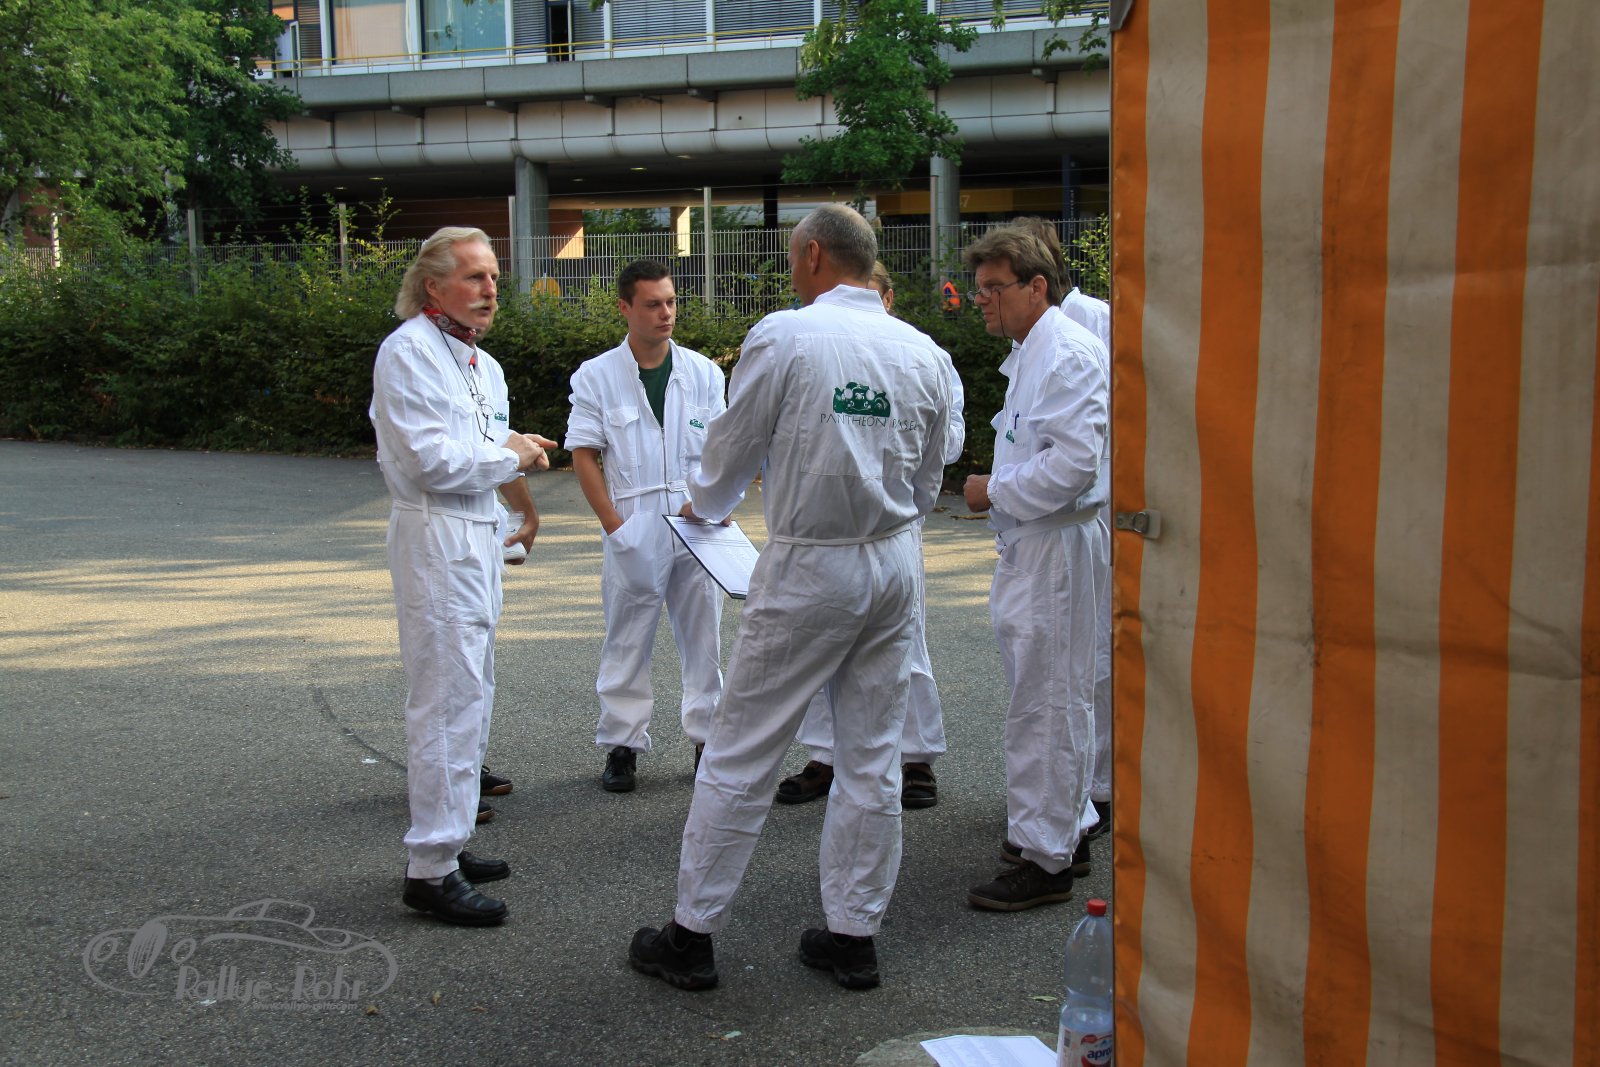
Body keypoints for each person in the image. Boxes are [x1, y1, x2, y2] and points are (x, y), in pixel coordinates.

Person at [628, 205, 953, 992]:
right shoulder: (924, 351)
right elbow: (930, 477)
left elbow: (731, 447)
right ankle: (853, 935)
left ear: (812, 255)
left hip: (813, 562)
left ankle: (691, 934)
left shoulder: (786, 336)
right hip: (893, 561)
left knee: (742, 746)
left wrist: (706, 502)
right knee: (872, 754)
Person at [369, 226, 558, 927]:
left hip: (476, 534)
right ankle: (430, 866)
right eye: (475, 277)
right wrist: (512, 457)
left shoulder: (482, 363)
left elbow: (481, 444)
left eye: (494, 278)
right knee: (444, 700)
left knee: (472, 690)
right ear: (432, 285)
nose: (489, 290)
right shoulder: (408, 353)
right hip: (436, 535)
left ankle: (449, 837)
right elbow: (430, 462)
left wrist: (515, 461)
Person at [776, 261, 967, 809]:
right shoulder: (817, 349)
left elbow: (949, 440)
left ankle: (916, 757)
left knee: (905, 645)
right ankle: (825, 755)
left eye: (873, 294)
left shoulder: (922, 355)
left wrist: (883, 443)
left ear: (887, 298)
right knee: (822, 644)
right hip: (827, 521)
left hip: (890, 522)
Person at [959, 219, 1109, 911]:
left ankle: (1047, 857)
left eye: (994, 287)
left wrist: (995, 489)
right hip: (1037, 544)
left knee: (1048, 703)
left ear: (1036, 286)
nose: (982, 299)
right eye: (981, 287)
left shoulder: (1066, 354)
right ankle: (1065, 827)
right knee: (1048, 694)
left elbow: (1075, 465)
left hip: (1054, 546)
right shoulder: (1033, 351)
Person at [566, 260, 729, 793]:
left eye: (671, 302)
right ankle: (622, 744)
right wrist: (614, 526)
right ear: (625, 308)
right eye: (653, 304)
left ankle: (707, 740)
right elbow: (584, 453)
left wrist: (720, 502)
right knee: (627, 635)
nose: (666, 313)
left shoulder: (704, 373)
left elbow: (725, 449)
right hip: (634, 519)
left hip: (697, 520)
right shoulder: (596, 375)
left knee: (704, 636)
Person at [1060, 282, 1113, 841]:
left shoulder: (1086, 324)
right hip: (1077, 516)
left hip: (1092, 512)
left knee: (1089, 663)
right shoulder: (1047, 334)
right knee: (1075, 668)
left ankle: (1094, 790)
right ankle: (1076, 792)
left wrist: (997, 490)